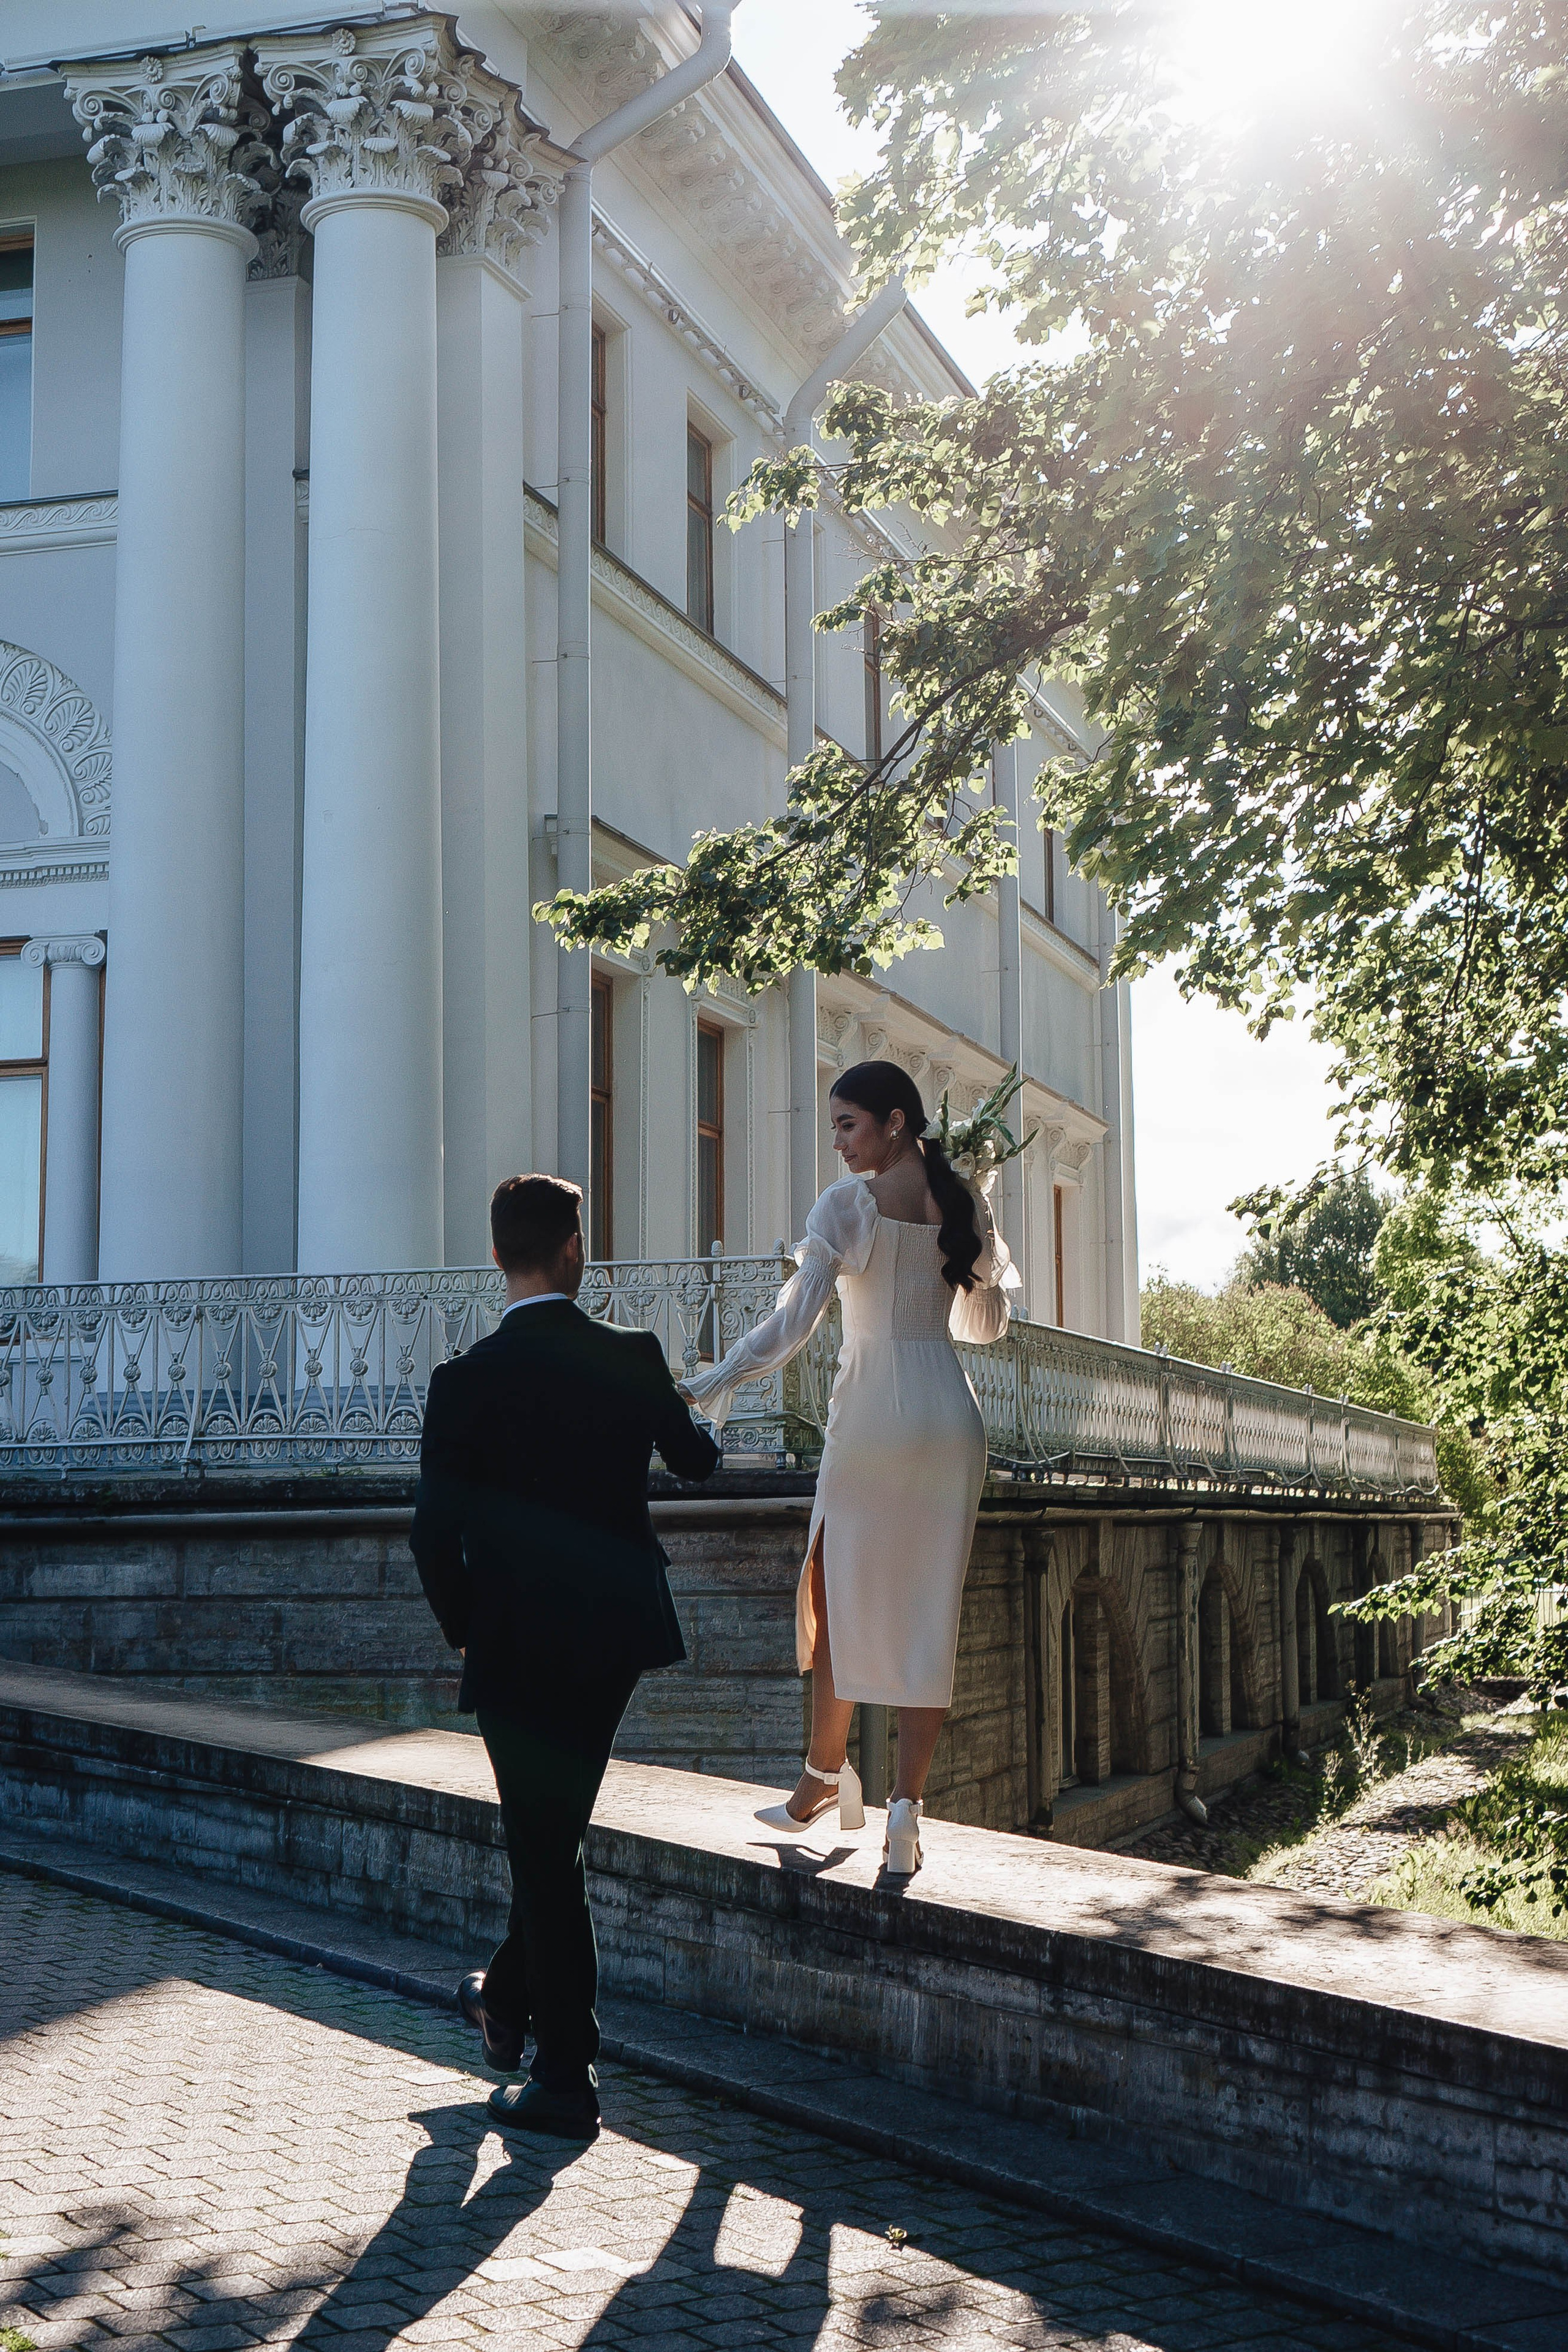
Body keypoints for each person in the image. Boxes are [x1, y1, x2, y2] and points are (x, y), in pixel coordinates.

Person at [411, 1172, 721, 2141]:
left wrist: (466, 1624)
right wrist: (683, 1407)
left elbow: (431, 1535)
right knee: (552, 1842)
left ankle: (564, 2077)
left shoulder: (463, 1381)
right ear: (574, 1249)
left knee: (546, 1847)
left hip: (511, 1638)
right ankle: (509, 2005)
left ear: (501, 1255)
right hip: (613, 1637)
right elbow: (698, 1461)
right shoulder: (630, 1356)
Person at [681, 1060, 1017, 1877]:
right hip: (948, 1414)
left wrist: (712, 1381)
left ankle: (821, 1779)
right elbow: (987, 1325)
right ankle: (901, 1811)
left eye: (848, 1125)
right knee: (926, 1611)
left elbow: (792, 1323)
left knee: (834, 1586)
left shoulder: (848, 1206)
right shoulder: (961, 1199)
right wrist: (977, 1222)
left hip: (873, 1415)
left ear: (894, 1121)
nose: (837, 1143)